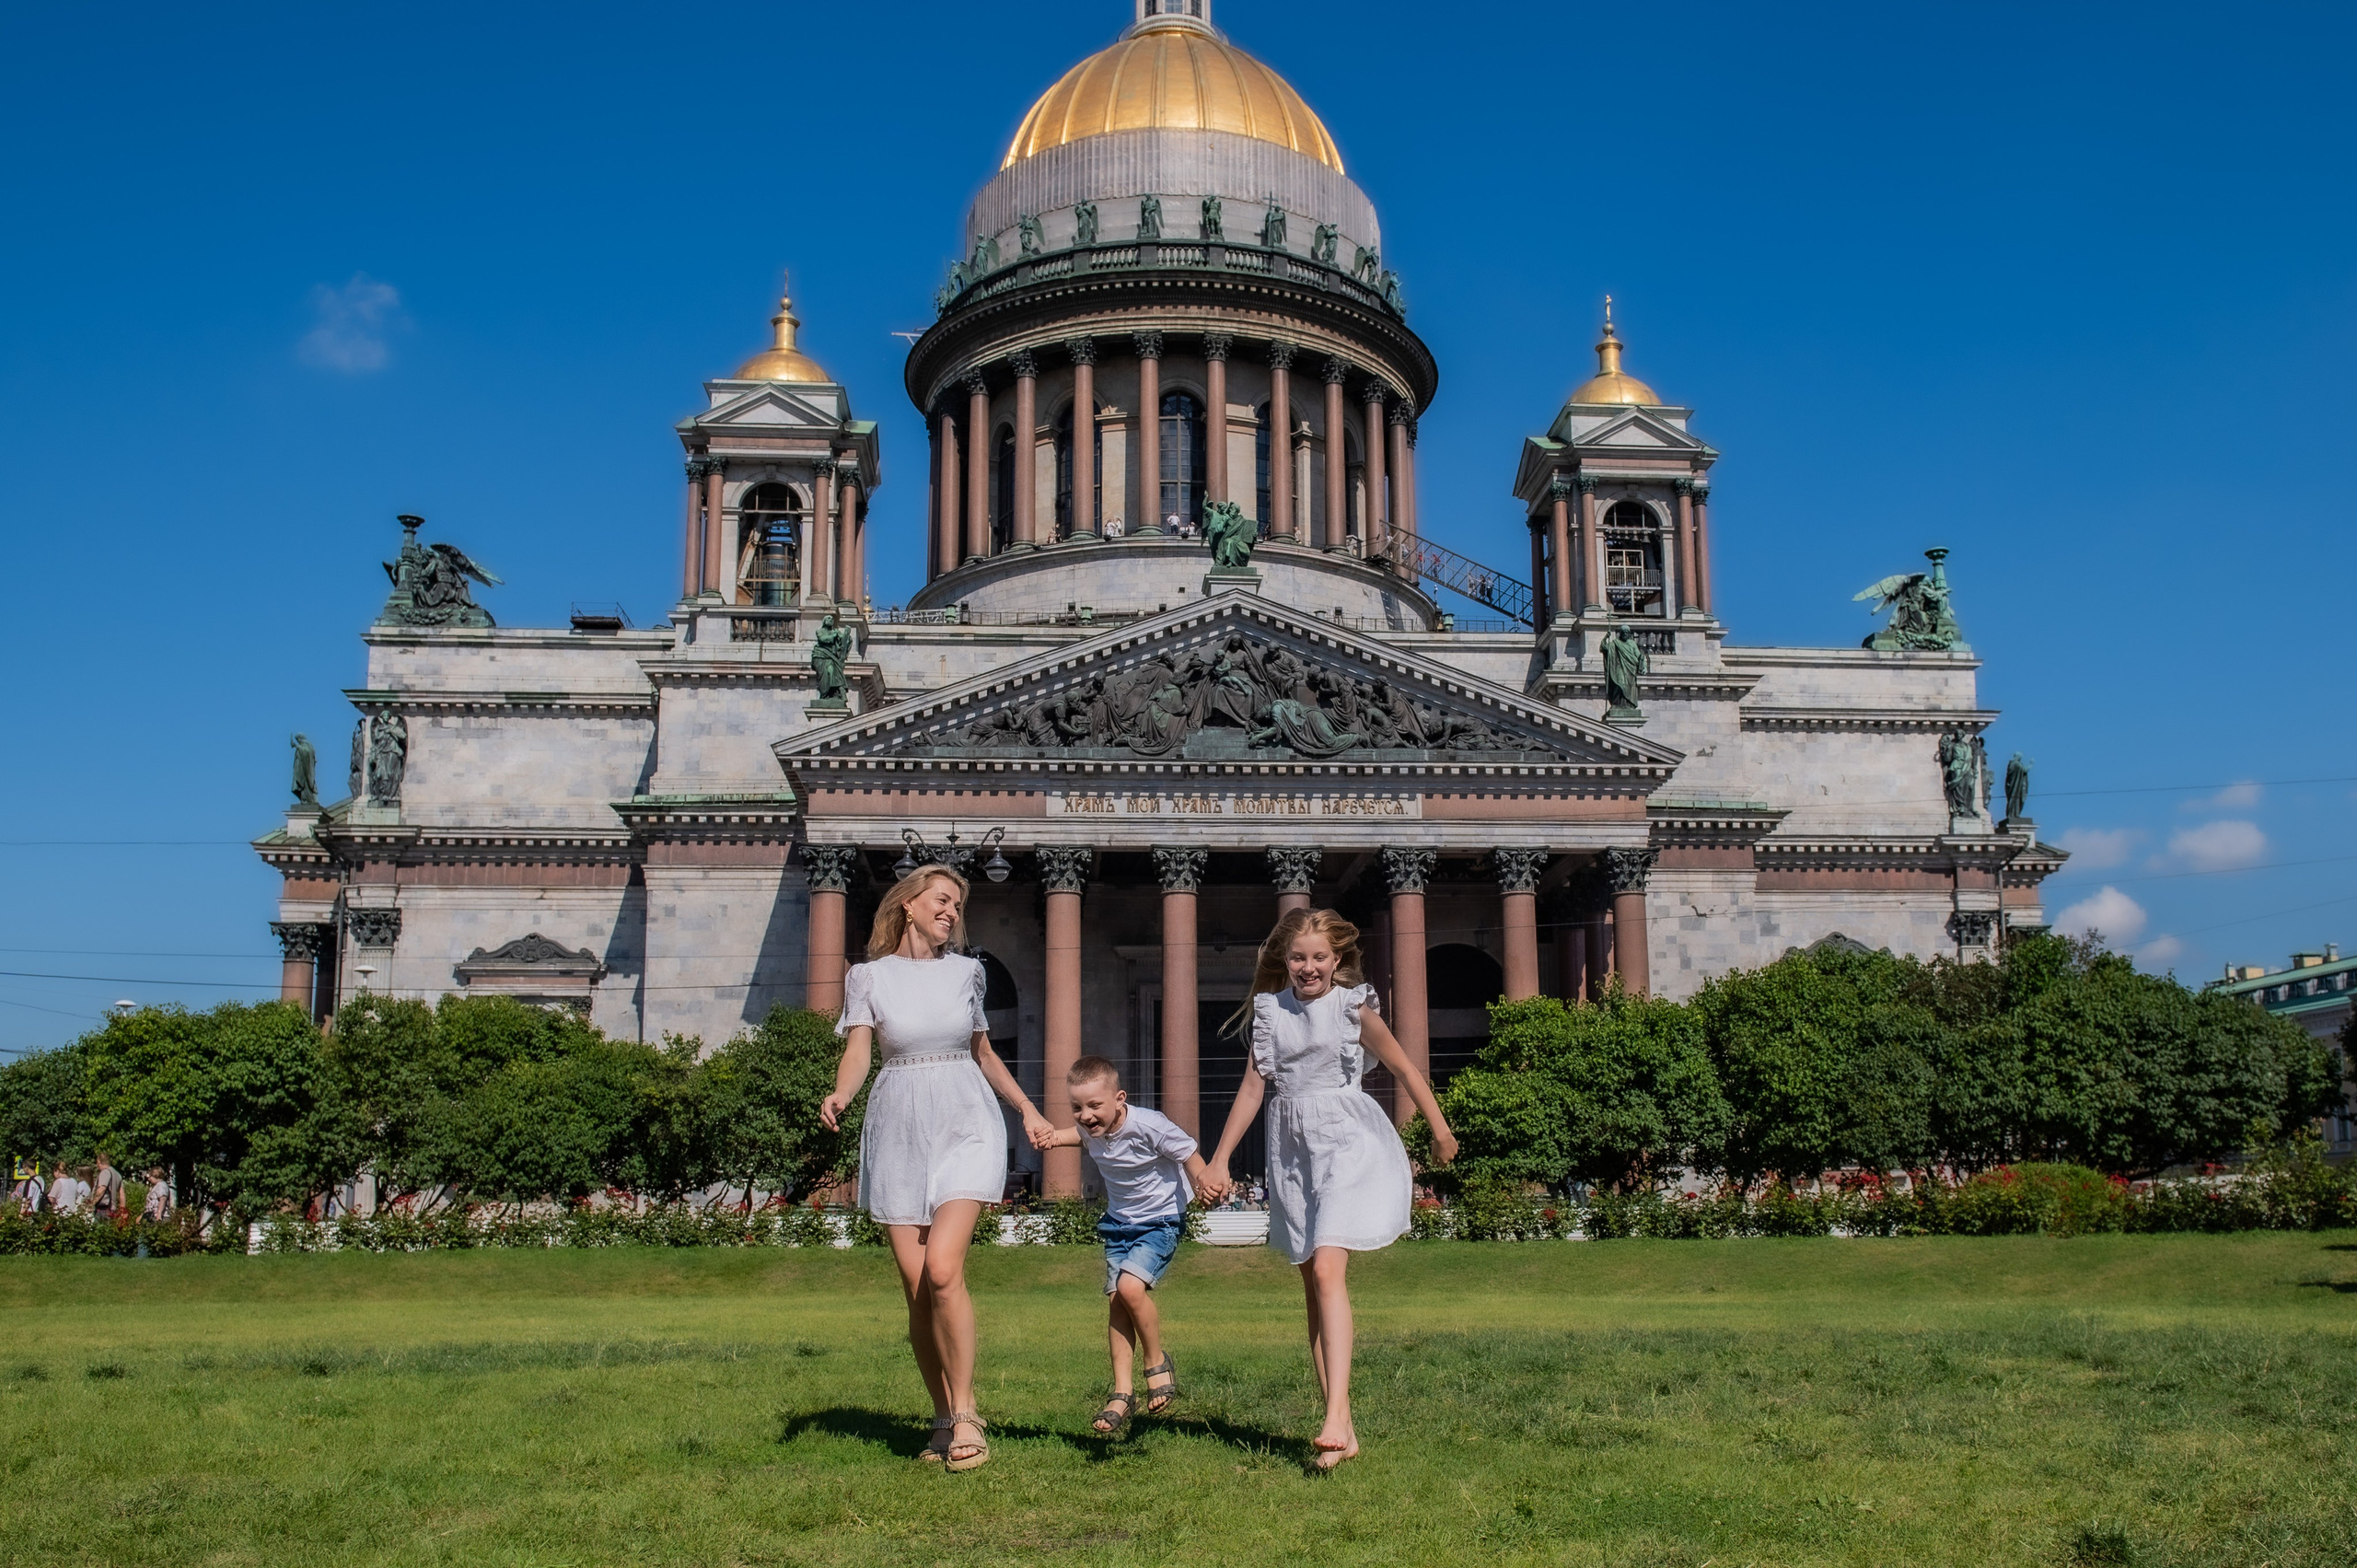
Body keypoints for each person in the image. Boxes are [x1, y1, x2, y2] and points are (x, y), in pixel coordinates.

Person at [1200, 907, 1458, 1470]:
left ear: (1336, 960)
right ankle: (1341, 1428)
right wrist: (1218, 1160)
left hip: (1346, 1140)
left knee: (1326, 1271)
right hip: (1292, 1154)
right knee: (1312, 1289)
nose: (1308, 967)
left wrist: (1439, 1130)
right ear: (1284, 961)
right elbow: (1251, 1091)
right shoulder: (1270, 1013)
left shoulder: (1351, 1007)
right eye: (1298, 957)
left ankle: (1336, 1415)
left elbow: (1405, 1069)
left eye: (1319, 957)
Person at [821, 865, 1054, 1473]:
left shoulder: (967, 971)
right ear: (908, 903)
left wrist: (1027, 1109)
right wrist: (842, 1094)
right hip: (898, 1123)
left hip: (964, 1120)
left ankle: (968, 1408)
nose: (952, 910)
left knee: (945, 1269)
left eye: (958, 903)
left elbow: (983, 1051)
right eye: (942, 899)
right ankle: (943, 1414)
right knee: (917, 1285)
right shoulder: (868, 976)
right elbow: (858, 1049)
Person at [1029, 1055, 1213, 1438]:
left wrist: (1202, 1181)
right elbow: (1071, 1136)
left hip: (1159, 1221)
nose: (1086, 1115)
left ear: (1119, 1099)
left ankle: (1157, 1361)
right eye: (1077, 1107)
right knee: (1116, 1301)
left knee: (1130, 1289)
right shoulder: (1091, 1130)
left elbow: (1187, 1154)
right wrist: (1050, 1137)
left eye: (1095, 1106)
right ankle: (1121, 1392)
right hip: (1119, 1225)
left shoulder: (1149, 1125)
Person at [90, 1154, 124, 1221]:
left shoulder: (105, 1172)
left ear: (99, 1162)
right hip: (112, 1210)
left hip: (103, 1210)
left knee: (99, 1230)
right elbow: (122, 1194)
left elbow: (102, 1189)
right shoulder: (117, 1174)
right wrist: (123, 1210)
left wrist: (92, 1203)